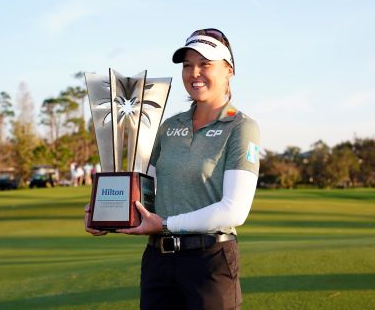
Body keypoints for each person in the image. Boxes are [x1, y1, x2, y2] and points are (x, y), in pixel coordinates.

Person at [85, 28, 260, 310]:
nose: (194, 73)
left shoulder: (241, 127)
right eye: (188, 65)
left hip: (209, 261)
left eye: (205, 64)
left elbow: (234, 210)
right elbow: (145, 190)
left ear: (228, 71)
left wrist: (165, 224)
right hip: (158, 262)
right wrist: (106, 214)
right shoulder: (169, 127)